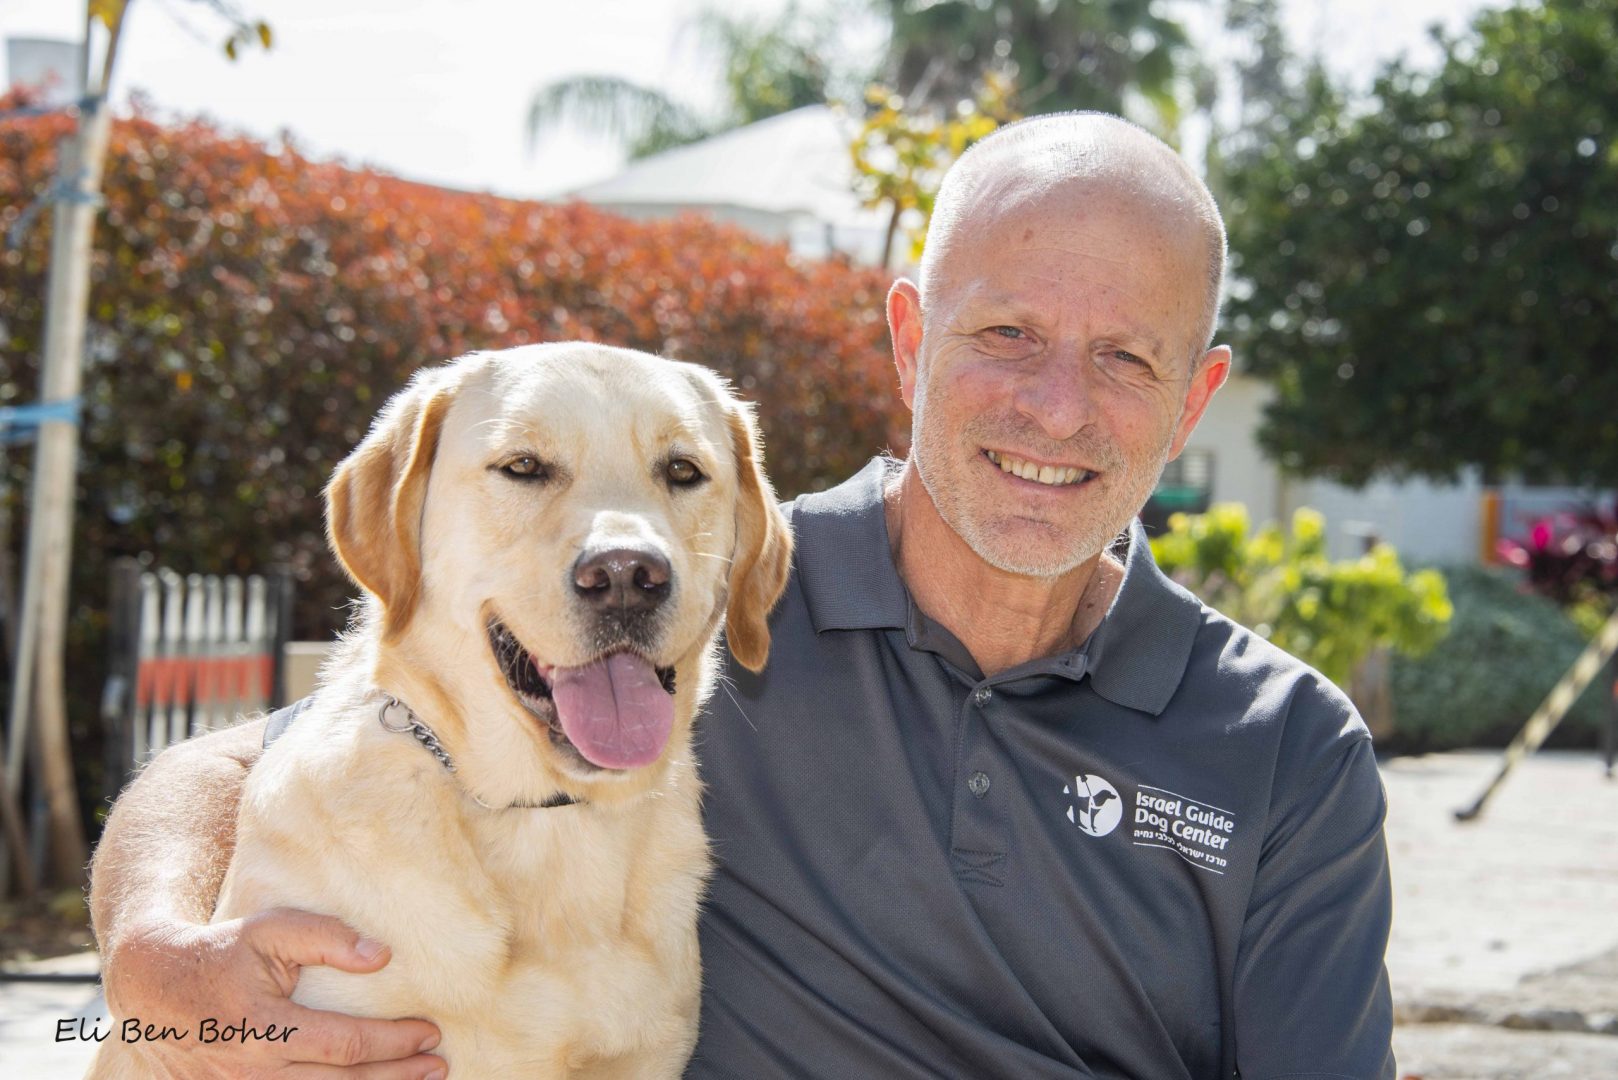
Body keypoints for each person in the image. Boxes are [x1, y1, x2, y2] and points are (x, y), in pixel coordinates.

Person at [89, 112, 1395, 1079]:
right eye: (1003, 334)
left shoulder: (1285, 748)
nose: (1055, 408)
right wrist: (154, 959)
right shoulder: (705, 602)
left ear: (1193, 402)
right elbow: (236, 764)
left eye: (1123, 356)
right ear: (906, 338)